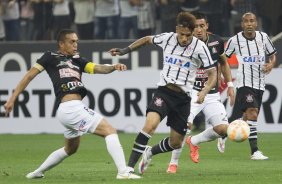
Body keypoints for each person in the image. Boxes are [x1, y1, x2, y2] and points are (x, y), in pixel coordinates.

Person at [4, 29, 140, 179]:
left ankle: (36, 173)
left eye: (77, 41)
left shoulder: (77, 60)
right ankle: (123, 172)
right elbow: (29, 76)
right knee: (110, 131)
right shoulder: (49, 57)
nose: (76, 44)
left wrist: (113, 67)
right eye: (72, 41)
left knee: (70, 148)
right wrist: (12, 99)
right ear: (61, 43)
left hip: (70, 110)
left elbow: (98, 68)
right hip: (70, 108)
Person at [109, 11, 217, 175]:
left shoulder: (200, 47)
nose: (184, 39)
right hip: (164, 92)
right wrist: (125, 51)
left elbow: (213, 73)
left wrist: (205, 90)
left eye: (188, 35)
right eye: (181, 34)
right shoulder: (167, 38)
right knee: (150, 126)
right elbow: (146, 40)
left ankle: (150, 152)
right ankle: (128, 169)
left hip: (184, 99)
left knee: (176, 143)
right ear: (177, 29)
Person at [166, 12, 235, 174]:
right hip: (191, 94)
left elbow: (223, 62)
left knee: (224, 130)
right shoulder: (185, 43)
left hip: (211, 94)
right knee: (184, 127)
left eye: (201, 26)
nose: (198, 29)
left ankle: (194, 141)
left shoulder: (217, 41)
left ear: (207, 27)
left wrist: (230, 84)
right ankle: (173, 164)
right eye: (195, 26)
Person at [225, 12, 277, 160]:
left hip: (260, 84)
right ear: (242, 24)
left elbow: (273, 54)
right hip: (244, 82)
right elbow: (224, 58)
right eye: (246, 21)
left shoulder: (264, 37)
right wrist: (226, 79)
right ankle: (255, 152)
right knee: (252, 113)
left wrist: (271, 64)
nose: (249, 24)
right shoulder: (234, 40)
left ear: (256, 23)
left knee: (246, 117)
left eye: (252, 21)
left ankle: (221, 132)